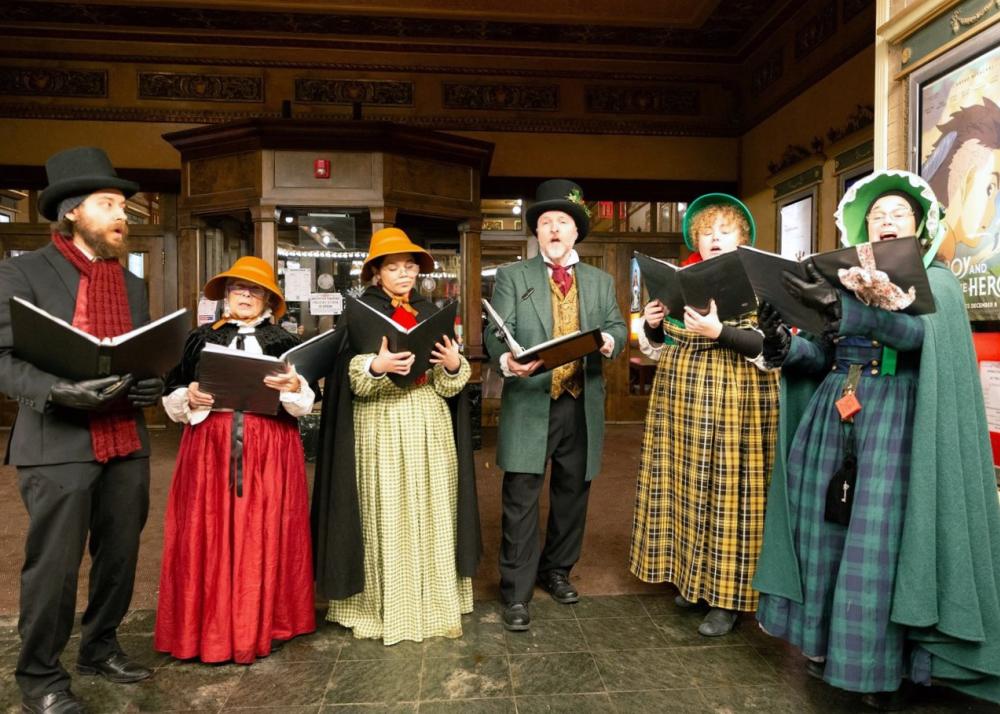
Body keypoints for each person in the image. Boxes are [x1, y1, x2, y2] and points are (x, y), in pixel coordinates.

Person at [754, 169, 1000, 709]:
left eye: (898, 215)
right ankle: (825, 648)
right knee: (824, 539)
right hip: (833, 417)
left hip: (896, 424)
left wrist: (852, 310)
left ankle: (878, 668)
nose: (885, 222)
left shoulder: (941, 283)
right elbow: (821, 356)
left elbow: (914, 336)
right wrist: (782, 340)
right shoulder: (842, 281)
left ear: (922, 225)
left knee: (879, 547)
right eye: (876, 216)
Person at [0, 146, 165, 714]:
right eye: (108, 203)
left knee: (119, 555)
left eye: (124, 204)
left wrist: (149, 385)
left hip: (126, 438)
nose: (123, 214)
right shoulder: (20, 271)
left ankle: (100, 647)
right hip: (57, 439)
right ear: (72, 211)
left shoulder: (132, 283)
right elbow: (2, 358)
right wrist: (56, 391)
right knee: (55, 564)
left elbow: (139, 355)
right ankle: (41, 677)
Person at [313, 227, 481, 645]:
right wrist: (375, 366)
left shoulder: (431, 312)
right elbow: (347, 381)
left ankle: (433, 601)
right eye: (394, 267)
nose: (404, 274)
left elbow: (448, 387)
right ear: (376, 272)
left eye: (410, 267)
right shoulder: (357, 312)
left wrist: (454, 364)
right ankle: (382, 605)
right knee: (382, 510)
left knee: (432, 508)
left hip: (428, 423)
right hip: (379, 426)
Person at [154, 256, 316, 664]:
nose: (244, 295)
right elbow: (170, 389)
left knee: (266, 529)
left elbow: (308, 401)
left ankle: (264, 621)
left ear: (268, 300)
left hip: (270, 447)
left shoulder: (285, 341)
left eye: (254, 290)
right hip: (210, 445)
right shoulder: (198, 338)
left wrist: (295, 386)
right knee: (207, 530)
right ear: (226, 295)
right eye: (237, 288)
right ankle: (206, 626)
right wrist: (186, 396)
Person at [629, 194, 779, 637]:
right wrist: (653, 323)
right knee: (687, 488)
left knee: (732, 494)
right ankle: (693, 581)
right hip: (682, 401)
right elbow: (657, 346)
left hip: (740, 401)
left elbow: (775, 348)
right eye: (707, 231)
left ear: (742, 238)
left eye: (724, 231)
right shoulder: (682, 279)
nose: (714, 238)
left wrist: (721, 332)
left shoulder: (761, 281)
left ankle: (728, 597)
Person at [485, 179, 627, 632]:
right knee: (521, 496)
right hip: (530, 399)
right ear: (537, 233)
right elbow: (495, 332)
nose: (553, 229)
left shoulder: (600, 281)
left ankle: (558, 570)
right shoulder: (513, 277)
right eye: (545, 222)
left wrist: (607, 340)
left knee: (572, 495)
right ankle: (516, 591)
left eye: (561, 222)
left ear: (575, 232)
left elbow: (618, 328)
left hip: (580, 402)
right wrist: (506, 358)